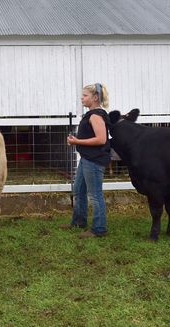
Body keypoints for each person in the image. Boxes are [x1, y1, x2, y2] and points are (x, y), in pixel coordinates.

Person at [60, 83, 111, 238]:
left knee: (95, 194)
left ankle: (99, 229)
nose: (82, 98)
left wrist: (77, 142)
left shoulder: (96, 115)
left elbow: (101, 139)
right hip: (87, 159)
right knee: (79, 190)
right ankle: (78, 221)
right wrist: (77, 141)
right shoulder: (92, 114)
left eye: (85, 96)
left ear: (95, 98)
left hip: (94, 161)